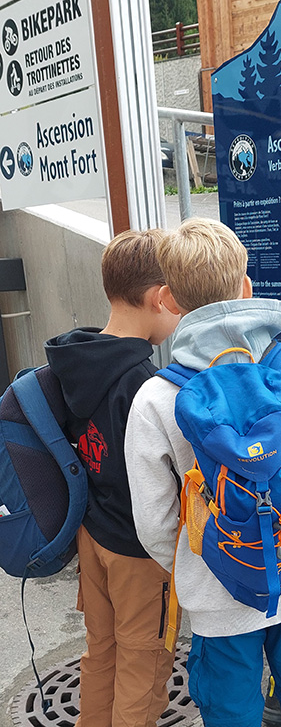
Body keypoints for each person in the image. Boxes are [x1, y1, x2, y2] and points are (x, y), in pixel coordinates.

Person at [124, 218, 281, 727]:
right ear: (246, 287)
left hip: (216, 595)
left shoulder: (156, 397)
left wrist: (205, 565)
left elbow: (154, 523)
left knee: (232, 715)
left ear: (170, 300)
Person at [44, 229, 181, 727]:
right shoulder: (143, 383)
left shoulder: (73, 361)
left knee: (101, 650)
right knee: (144, 662)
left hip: (92, 535)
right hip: (138, 550)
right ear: (161, 297)